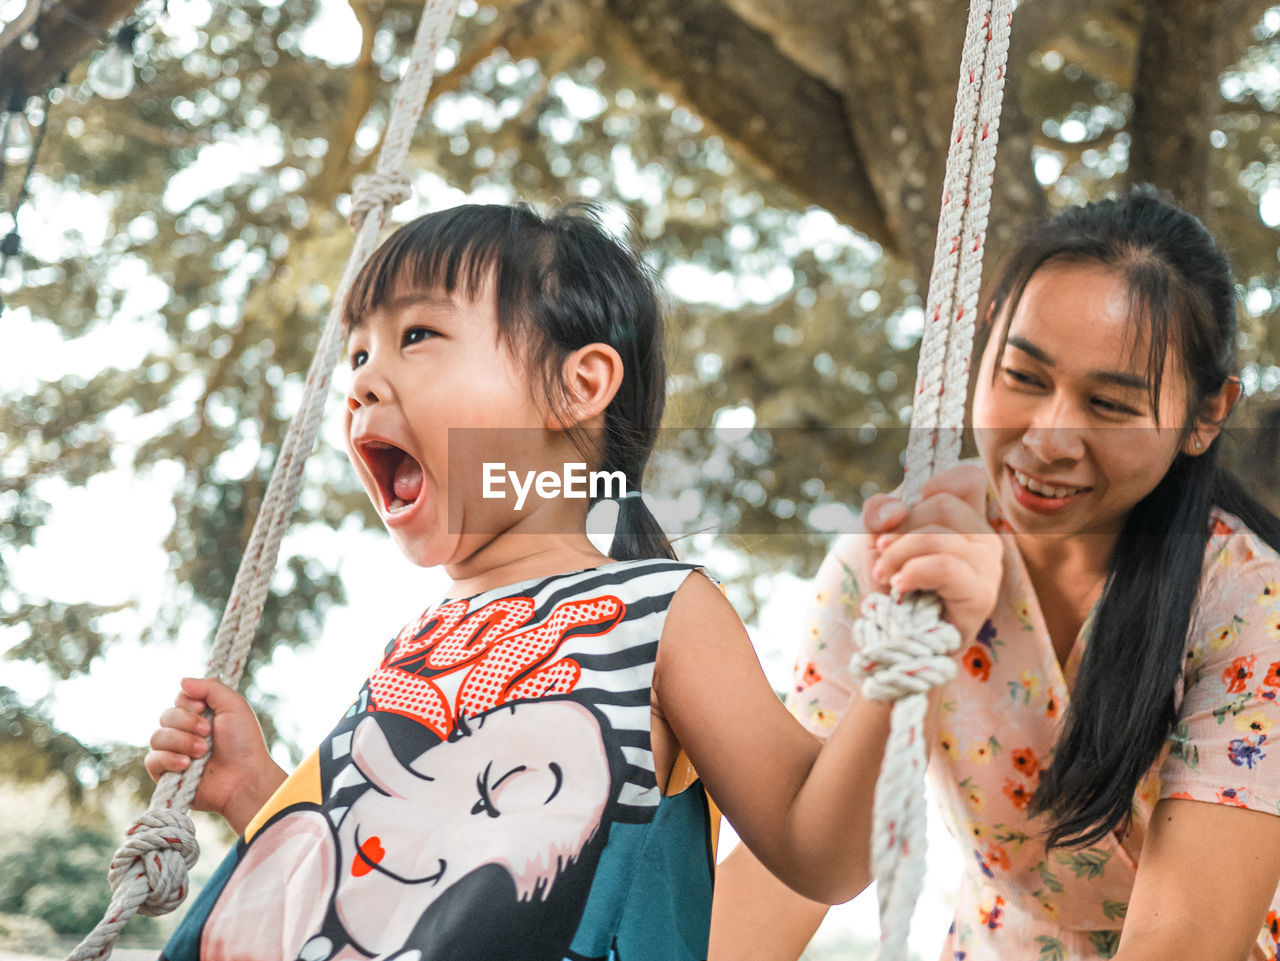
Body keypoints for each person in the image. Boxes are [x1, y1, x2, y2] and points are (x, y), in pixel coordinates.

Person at [145, 203, 895, 961]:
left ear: (578, 385)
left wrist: (906, 658)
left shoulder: (658, 612)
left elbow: (818, 846)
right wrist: (256, 793)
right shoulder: (420, 641)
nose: (364, 382)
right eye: (358, 355)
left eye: (415, 336)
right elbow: (367, 884)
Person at [710, 186, 1280, 961]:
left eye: (1109, 404)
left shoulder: (1250, 601)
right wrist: (913, 654)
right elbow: (798, 871)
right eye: (1024, 375)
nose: (1048, 438)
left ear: (1208, 414)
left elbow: (1183, 940)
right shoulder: (888, 564)